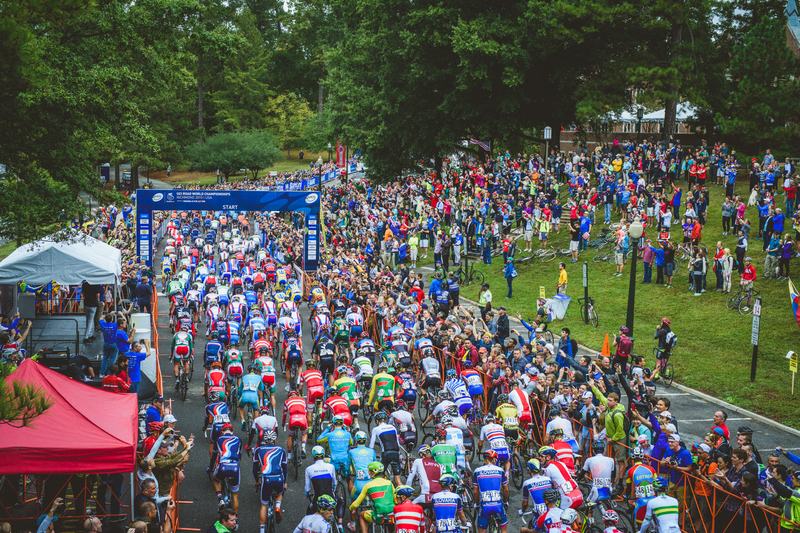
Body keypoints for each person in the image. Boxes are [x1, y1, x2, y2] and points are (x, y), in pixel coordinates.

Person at [349, 461, 396, 533]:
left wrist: (351, 508)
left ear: (373, 473)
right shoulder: (389, 483)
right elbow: (396, 500)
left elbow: (356, 504)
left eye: (370, 472)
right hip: (392, 515)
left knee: (361, 515)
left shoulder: (368, 485)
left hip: (379, 516)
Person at [473, 450, 509, 533]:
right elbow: (506, 490)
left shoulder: (477, 471)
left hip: (485, 505)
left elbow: (475, 492)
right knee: (504, 530)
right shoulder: (500, 470)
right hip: (498, 505)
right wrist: (505, 502)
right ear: (493, 459)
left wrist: (477, 504)